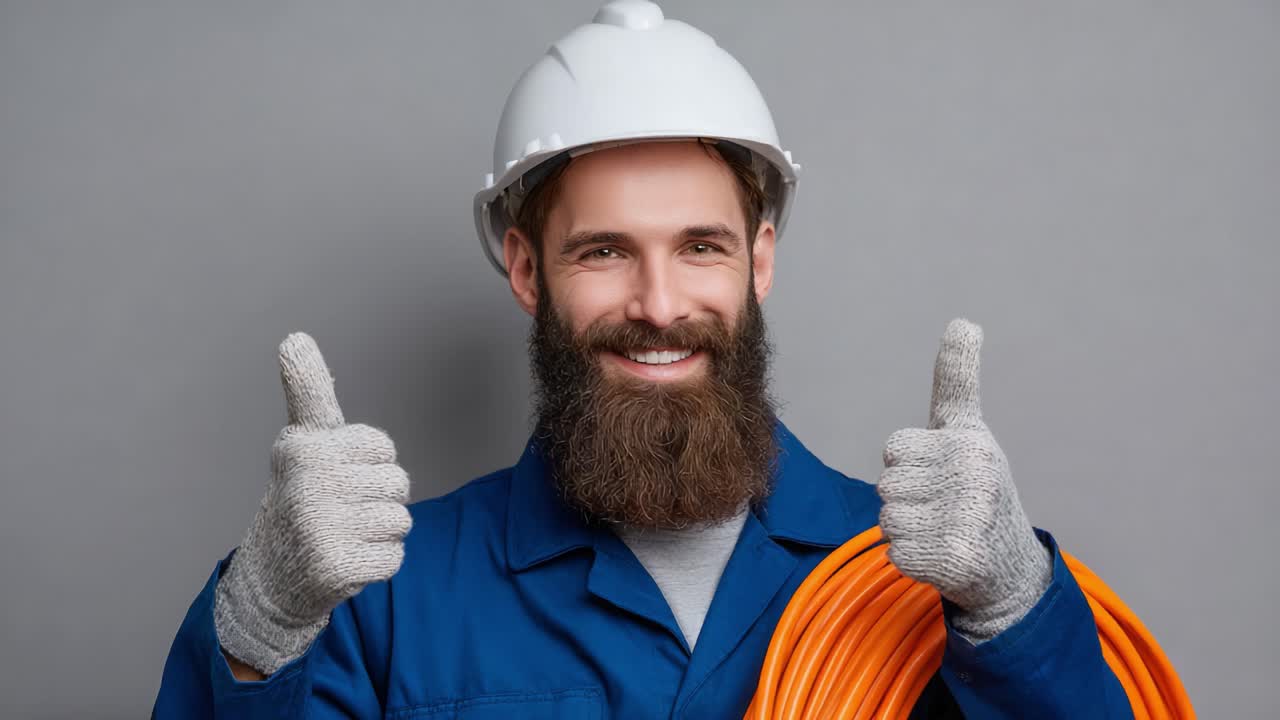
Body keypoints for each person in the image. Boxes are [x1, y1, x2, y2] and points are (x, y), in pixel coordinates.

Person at [154, 2, 1134, 717]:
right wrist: (257, 632)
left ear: (759, 262)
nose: (658, 305)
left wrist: (1014, 614)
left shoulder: (918, 575)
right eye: (603, 251)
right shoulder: (384, 601)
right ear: (527, 269)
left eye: (699, 247)